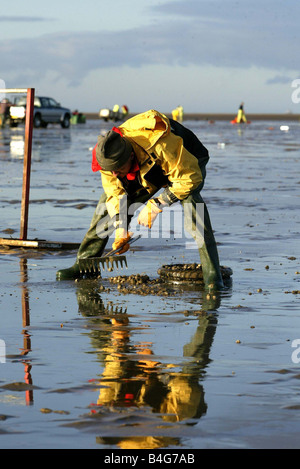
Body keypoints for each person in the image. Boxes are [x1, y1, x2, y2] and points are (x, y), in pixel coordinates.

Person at [56, 109, 224, 290]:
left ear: (130, 156)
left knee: (192, 204)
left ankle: (212, 273)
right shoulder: (106, 155)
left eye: (117, 169)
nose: (113, 174)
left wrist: (157, 204)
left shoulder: (161, 144)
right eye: (110, 170)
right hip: (145, 167)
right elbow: (115, 194)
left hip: (187, 162)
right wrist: (121, 230)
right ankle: (85, 265)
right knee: (106, 205)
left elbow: (189, 178)